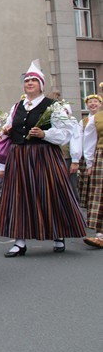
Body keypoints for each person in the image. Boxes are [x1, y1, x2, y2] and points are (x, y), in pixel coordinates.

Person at [0, 62, 87, 256]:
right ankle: (20, 242)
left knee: (50, 194)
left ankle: (58, 234)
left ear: (41, 85)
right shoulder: (16, 107)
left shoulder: (52, 106)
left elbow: (66, 132)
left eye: (33, 81)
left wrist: (45, 134)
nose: (29, 83)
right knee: (18, 197)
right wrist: (6, 130)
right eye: (27, 80)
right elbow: (10, 127)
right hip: (19, 156)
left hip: (44, 155)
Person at [71, 94, 100, 210]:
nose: (93, 104)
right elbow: (80, 140)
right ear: (87, 105)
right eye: (90, 102)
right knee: (89, 184)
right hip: (87, 155)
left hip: (99, 152)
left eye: (95, 102)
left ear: (100, 104)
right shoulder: (83, 121)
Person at [83, 87, 103, 249]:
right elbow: (89, 142)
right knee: (100, 194)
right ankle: (101, 235)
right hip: (101, 158)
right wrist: (89, 163)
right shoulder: (96, 118)